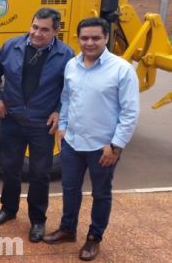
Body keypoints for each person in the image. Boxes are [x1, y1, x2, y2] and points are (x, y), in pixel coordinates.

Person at [43, 17, 140, 261]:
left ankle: (94, 237)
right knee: (69, 189)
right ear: (78, 38)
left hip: (103, 147)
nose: (89, 43)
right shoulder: (72, 66)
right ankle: (68, 229)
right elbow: (67, 99)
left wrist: (116, 145)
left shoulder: (122, 69)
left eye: (95, 38)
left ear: (106, 38)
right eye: (84, 38)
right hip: (72, 143)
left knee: (101, 193)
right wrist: (63, 128)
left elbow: (130, 112)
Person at [0, 7, 74, 243]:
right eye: (35, 27)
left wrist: (59, 110)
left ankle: (37, 220)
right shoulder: (11, 46)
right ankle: (8, 209)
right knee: (10, 168)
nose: (37, 33)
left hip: (41, 124)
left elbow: (69, 89)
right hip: (12, 120)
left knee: (39, 173)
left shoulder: (66, 55)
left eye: (44, 30)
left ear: (56, 31)